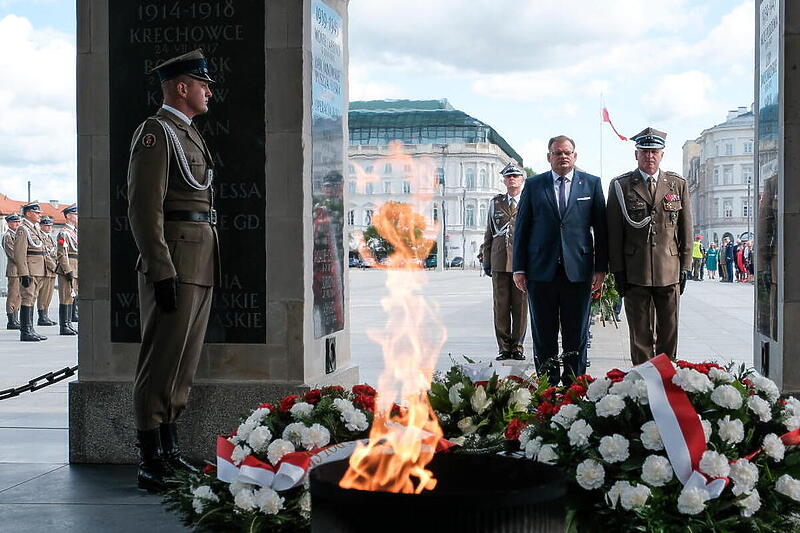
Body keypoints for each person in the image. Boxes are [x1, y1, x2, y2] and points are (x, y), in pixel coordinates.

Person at [127, 49, 218, 491]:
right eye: (202, 84)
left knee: (182, 365)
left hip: (199, 261)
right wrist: (161, 268)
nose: (208, 91)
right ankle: (150, 461)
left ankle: (169, 449)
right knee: (160, 362)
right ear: (181, 87)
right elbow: (145, 208)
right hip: (175, 264)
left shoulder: (188, 134)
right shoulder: (156, 134)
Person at [512, 135, 608, 385]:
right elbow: (521, 228)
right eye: (557, 153)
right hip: (540, 272)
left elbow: (602, 229)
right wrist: (519, 268)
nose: (563, 156)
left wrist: (601, 269)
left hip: (578, 272)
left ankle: (574, 385)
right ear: (549, 157)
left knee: (575, 334)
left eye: (567, 152)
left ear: (575, 156)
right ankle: (547, 384)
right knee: (543, 333)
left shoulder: (591, 184)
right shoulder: (534, 185)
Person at [607, 127, 693, 364]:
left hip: (669, 270)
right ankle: (643, 381)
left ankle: (667, 378)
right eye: (644, 151)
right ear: (636, 155)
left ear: (662, 154)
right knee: (640, 334)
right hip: (636, 271)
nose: (649, 156)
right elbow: (614, 234)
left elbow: (686, 229)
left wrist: (685, 267)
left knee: (669, 330)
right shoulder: (621, 185)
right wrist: (618, 271)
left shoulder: (677, 184)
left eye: (654, 151)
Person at [482, 162, 527, 361]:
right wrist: (486, 259)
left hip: (521, 260)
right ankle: (504, 347)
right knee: (501, 306)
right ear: (504, 180)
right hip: (499, 259)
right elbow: (489, 233)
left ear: (521, 180)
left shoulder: (528, 201)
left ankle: (517, 346)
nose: (512, 179)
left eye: (515, 176)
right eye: (508, 177)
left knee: (520, 306)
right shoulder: (495, 203)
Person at [13, 202, 49, 342]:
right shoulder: (23, 229)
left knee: (32, 299)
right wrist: (23, 273)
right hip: (30, 270)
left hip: (38, 270)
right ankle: (25, 331)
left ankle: (31, 329)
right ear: (28, 213)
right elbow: (19, 253)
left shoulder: (35, 229)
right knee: (27, 299)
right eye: (37, 213)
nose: (39, 215)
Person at [56, 205, 79, 335]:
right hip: (69, 267)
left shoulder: (74, 232)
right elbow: (61, 253)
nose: (77, 217)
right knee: (65, 297)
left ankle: (68, 323)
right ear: (68, 216)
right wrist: (67, 269)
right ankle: (64, 325)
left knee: (71, 296)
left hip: (76, 267)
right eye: (75, 215)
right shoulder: (64, 232)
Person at [36, 216, 58, 327]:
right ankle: (42, 317)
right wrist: (54, 267)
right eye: (46, 225)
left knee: (49, 294)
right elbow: (45, 255)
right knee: (43, 294)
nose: (49, 227)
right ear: (41, 226)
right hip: (46, 269)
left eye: (50, 225)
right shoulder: (40, 237)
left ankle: (46, 315)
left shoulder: (49, 238)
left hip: (52, 271)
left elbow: (54, 253)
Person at [3, 214, 22, 329]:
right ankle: (11, 320)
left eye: (18, 222)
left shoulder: (18, 235)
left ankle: (16, 318)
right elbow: (13, 254)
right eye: (15, 222)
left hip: (20, 270)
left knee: (19, 295)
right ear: (9, 223)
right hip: (14, 270)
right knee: (13, 295)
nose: (17, 224)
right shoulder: (8, 236)